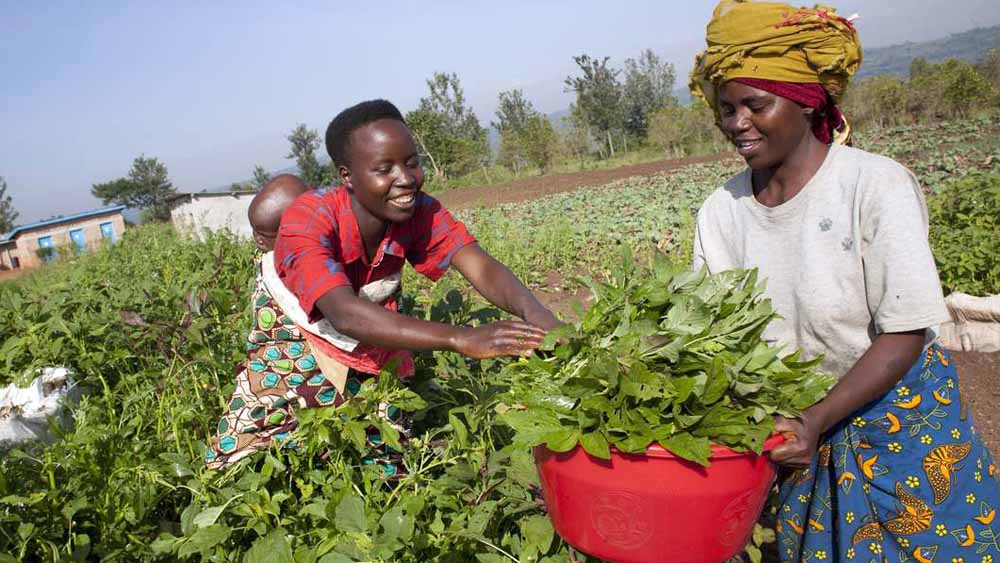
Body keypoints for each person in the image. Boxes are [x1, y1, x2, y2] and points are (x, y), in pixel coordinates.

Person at [689, 2, 1000, 562]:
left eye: (755, 104)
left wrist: (817, 419)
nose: (737, 123)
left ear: (808, 102)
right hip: (790, 430)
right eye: (726, 107)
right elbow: (710, 333)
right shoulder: (722, 212)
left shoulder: (873, 186)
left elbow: (905, 330)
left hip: (896, 421)